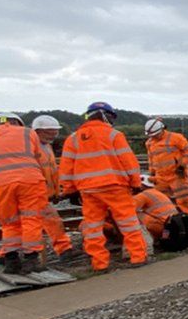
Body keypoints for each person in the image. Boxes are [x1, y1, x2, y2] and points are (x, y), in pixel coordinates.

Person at [59, 102, 147, 271]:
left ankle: (99, 263)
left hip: (88, 190)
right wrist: (135, 183)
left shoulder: (73, 138)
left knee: (93, 227)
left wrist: (69, 189)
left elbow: (66, 167)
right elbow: (128, 161)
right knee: (128, 223)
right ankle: (138, 257)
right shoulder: (114, 135)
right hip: (115, 186)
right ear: (105, 115)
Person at [0, 113, 49, 274]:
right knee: (31, 218)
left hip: (1, 183)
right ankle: (31, 260)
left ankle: (11, 260)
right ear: (18, 123)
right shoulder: (28, 132)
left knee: (9, 222)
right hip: (30, 180)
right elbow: (37, 156)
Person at [31, 115, 75, 260]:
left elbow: (52, 172)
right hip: (35, 193)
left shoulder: (46, 146)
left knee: (37, 223)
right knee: (50, 221)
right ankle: (64, 250)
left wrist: (56, 192)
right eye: (49, 132)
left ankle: (8, 254)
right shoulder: (31, 147)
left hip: (44, 193)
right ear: (37, 131)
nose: (53, 135)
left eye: (54, 132)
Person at [144, 118, 188, 218]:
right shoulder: (149, 143)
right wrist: (152, 172)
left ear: (162, 129)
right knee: (161, 199)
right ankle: (166, 220)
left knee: (184, 199)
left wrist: (182, 165)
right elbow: (151, 158)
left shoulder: (176, 138)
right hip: (160, 176)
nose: (154, 137)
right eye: (152, 136)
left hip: (176, 174)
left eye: (156, 135)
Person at [132, 183, 188, 251]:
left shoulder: (144, 195)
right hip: (171, 226)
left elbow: (130, 208)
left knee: (133, 215)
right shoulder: (158, 193)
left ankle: (144, 241)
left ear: (142, 186)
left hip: (160, 227)